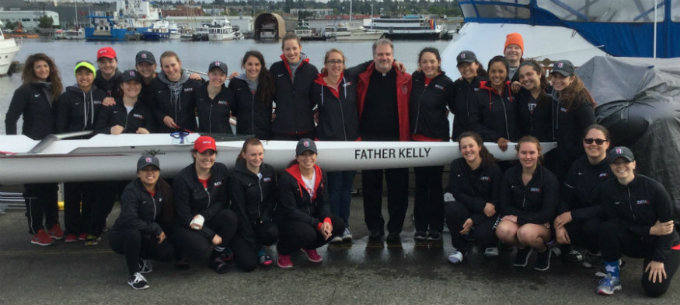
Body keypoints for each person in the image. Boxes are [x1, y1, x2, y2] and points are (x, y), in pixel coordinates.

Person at [595, 146, 680, 296]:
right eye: (616, 163)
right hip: (638, 239)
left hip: (664, 243)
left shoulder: (654, 188)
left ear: (634, 164)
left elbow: (668, 228)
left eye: (625, 162)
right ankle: (612, 276)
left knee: (654, 290)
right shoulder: (607, 190)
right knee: (607, 228)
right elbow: (615, 222)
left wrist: (658, 259)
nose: (621, 166)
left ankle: (661, 262)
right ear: (610, 167)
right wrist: (648, 230)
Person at [5, 53, 64, 245]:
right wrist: (14, 145)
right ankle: (36, 229)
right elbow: (11, 118)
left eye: (46, 66)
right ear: (31, 70)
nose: (43, 70)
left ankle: (53, 224)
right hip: (31, 147)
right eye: (38, 67)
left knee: (51, 186)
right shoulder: (24, 91)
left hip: (52, 145)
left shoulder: (55, 89)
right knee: (34, 189)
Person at [357, 38, 412, 243]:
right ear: (373, 57)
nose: (384, 58)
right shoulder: (363, 79)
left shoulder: (405, 79)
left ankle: (395, 228)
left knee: (399, 188)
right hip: (369, 142)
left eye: (388, 54)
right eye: (380, 54)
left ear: (393, 56)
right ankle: (374, 228)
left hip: (398, 141)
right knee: (371, 189)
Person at [173, 136, 251, 273]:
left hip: (206, 218)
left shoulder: (221, 170)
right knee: (201, 250)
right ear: (194, 153)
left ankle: (216, 257)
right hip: (187, 223)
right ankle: (182, 251)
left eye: (211, 153)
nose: (207, 158)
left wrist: (203, 216)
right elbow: (183, 217)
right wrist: (210, 235)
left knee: (230, 216)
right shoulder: (182, 178)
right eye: (203, 153)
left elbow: (223, 201)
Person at [312, 48, 360, 243]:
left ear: (344, 63)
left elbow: (370, 65)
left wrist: (398, 65)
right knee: (333, 188)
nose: (335, 65)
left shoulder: (351, 80)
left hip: (351, 144)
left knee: (346, 189)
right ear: (325, 64)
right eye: (331, 61)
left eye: (339, 61)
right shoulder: (317, 86)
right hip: (328, 145)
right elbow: (302, 106)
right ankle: (333, 228)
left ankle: (345, 225)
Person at [55, 60, 107, 243]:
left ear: (93, 76)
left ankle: (86, 227)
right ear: (76, 76)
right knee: (72, 192)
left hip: (93, 149)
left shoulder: (101, 96)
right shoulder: (66, 97)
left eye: (88, 74)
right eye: (80, 74)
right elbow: (60, 126)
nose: (84, 77)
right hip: (72, 149)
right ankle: (71, 229)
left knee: (89, 192)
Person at [275, 138, 345, 268]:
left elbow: (324, 202)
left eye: (311, 154)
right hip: (289, 219)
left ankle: (309, 247)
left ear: (316, 156)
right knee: (308, 234)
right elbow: (290, 210)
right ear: (297, 157)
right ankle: (283, 250)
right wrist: (317, 224)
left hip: (310, 217)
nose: (307, 158)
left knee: (339, 224)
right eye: (303, 155)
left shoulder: (321, 173)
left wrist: (327, 220)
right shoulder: (287, 177)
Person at [109, 154, 176, 290]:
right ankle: (133, 274)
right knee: (133, 233)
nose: (150, 173)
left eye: (154, 169)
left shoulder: (163, 189)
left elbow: (168, 215)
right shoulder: (131, 191)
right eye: (145, 170)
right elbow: (130, 219)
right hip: (122, 235)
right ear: (138, 173)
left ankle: (140, 258)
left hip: (147, 232)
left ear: (159, 172)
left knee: (168, 253)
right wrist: (155, 228)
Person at [409, 47, 455, 241]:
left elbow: (457, 107)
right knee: (420, 186)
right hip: (416, 141)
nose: (428, 65)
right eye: (424, 62)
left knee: (435, 186)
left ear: (439, 62)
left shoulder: (446, 84)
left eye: (432, 61)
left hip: (437, 142)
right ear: (420, 64)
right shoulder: (415, 79)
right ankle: (420, 226)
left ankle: (435, 227)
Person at [496, 136, 559, 271]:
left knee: (526, 233)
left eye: (532, 153)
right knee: (502, 230)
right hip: (523, 218)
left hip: (540, 225)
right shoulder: (509, 175)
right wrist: (520, 218)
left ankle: (543, 250)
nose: (527, 157)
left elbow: (547, 213)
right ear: (518, 153)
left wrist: (519, 218)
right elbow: (505, 206)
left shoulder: (549, 178)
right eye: (524, 153)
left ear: (539, 153)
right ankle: (522, 248)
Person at [554, 124, 612, 266]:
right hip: (579, 214)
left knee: (592, 227)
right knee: (559, 221)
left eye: (599, 141)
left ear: (607, 144)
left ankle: (597, 253)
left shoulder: (613, 167)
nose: (593, 144)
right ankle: (571, 250)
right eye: (589, 140)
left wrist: (573, 215)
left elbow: (608, 206)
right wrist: (559, 224)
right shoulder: (577, 165)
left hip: (603, 218)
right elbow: (565, 197)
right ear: (583, 142)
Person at [445, 131, 503, 263]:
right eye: (464, 147)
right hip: (473, 207)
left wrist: (474, 219)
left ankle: (491, 244)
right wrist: (480, 207)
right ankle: (461, 248)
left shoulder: (493, 169)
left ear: (479, 147)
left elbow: (496, 202)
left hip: (489, 212)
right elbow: (457, 193)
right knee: (451, 209)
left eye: (471, 146)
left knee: (482, 235)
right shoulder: (456, 165)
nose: (468, 150)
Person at [229, 138, 279, 267]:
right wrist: (251, 239)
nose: (257, 158)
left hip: (262, 220)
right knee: (248, 265)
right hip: (244, 224)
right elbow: (239, 209)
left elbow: (272, 197)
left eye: (260, 154)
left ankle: (261, 247)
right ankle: (240, 246)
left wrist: (266, 217)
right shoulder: (236, 176)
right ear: (244, 155)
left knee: (273, 233)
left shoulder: (269, 171)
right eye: (253, 154)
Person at [550, 60, 596, 182]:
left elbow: (590, 130)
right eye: (555, 76)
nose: (557, 80)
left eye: (562, 77)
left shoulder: (580, 100)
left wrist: (576, 153)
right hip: (560, 156)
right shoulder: (556, 95)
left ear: (572, 79)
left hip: (574, 159)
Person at [269, 33, 319, 140]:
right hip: (281, 129)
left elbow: (318, 96)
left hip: (306, 129)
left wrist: (316, 111)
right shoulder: (275, 69)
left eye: (294, 48)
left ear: (300, 48)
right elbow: (267, 93)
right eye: (287, 49)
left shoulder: (311, 70)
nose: (291, 52)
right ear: (283, 50)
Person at [472, 56, 519, 153]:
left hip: (515, 148)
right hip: (491, 148)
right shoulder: (479, 94)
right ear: (488, 72)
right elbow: (475, 124)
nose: (496, 75)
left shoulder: (514, 90)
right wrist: (497, 138)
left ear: (507, 73)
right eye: (493, 71)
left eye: (501, 71)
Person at [150, 51, 203, 132]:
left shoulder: (193, 83)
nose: (171, 69)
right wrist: (163, 117)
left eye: (173, 65)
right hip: (164, 133)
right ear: (162, 68)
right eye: (166, 66)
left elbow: (208, 96)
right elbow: (151, 107)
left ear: (179, 63)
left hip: (188, 132)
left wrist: (202, 80)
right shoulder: (155, 84)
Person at [228, 50, 275, 139]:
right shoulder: (235, 83)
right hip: (242, 135)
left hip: (265, 135)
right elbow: (230, 105)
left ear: (262, 66)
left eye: (257, 64)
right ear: (244, 65)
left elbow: (281, 99)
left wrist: (276, 113)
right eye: (250, 64)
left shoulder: (269, 82)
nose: (253, 68)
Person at [95, 69, 156, 135]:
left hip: (136, 145)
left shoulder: (146, 109)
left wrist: (148, 133)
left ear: (141, 86)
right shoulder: (110, 105)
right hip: (113, 145)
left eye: (136, 83)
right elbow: (97, 130)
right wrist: (110, 130)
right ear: (121, 86)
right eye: (128, 83)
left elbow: (154, 131)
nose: (132, 86)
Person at [451, 50, 487, 141]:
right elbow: (452, 107)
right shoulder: (456, 85)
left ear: (477, 65)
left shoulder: (487, 83)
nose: (466, 68)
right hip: (460, 137)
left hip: (482, 137)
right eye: (462, 66)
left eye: (469, 64)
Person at [195, 60, 234, 135]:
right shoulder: (198, 92)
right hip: (204, 138)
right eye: (214, 74)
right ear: (208, 74)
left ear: (226, 77)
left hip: (225, 139)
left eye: (221, 74)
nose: (217, 77)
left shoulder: (229, 94)